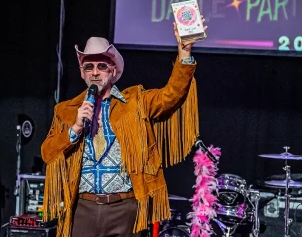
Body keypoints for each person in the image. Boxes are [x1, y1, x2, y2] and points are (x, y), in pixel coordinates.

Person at [41, 18, 207, 237]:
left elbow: (171, 96)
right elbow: (47, 153)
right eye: (88, 67)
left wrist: (184, 52)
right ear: (82, 72)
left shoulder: (135, 101)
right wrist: (75, 128)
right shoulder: (67, 110)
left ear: (113, 70)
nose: (95, 72)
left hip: (124, 208)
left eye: (102, 66)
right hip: (83, 208)